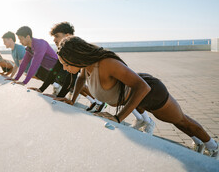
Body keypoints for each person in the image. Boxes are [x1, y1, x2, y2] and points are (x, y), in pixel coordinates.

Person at [57, 36, 218, 159]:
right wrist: (72, 100)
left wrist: (118, 118)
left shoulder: (105, 64)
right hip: (135, 99)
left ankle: (214, 148)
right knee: (175, 121)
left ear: (76, 58)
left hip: (150, 92)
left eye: (65, 64)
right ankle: (198, 143)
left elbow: (143, 86)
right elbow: (80, 79)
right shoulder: (87, 66)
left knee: (180, 120)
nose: (64, 68)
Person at [27, 22, 106, 112]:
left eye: (57, 36)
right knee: (78, 83)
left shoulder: (75, 48)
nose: (54, 40)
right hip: (91, 78)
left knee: (81, 84)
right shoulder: (65, 49)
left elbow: (71, 77)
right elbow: (54, 71)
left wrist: (60, 97)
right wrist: (41, 89)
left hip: (105, 76)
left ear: (67, 35)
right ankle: (96, 101)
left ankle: (99, 102)